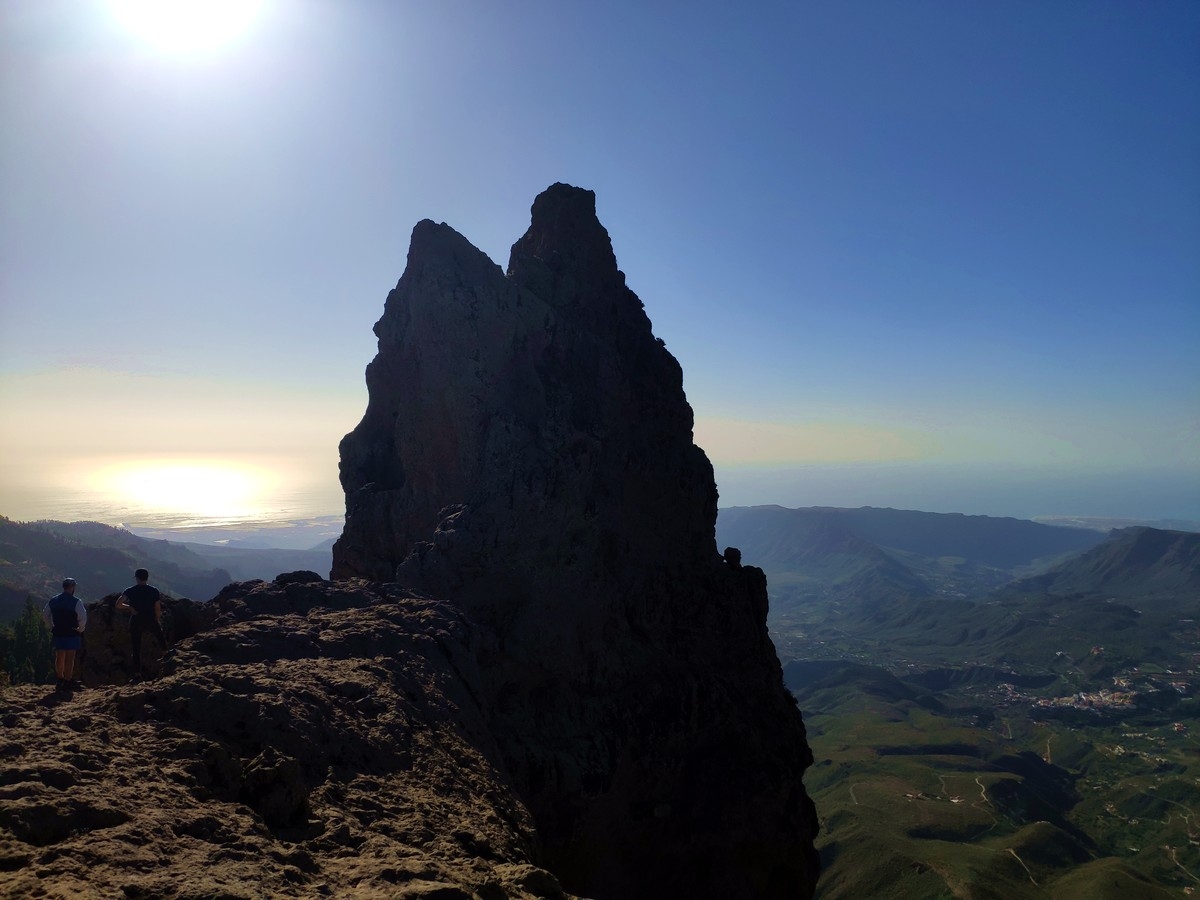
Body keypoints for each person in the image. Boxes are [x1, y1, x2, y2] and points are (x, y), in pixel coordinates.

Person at [116, 568, 167, 679]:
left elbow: (118, 604)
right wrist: (157, 620)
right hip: (150, 619)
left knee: (136, 648)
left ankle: (137, 674)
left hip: (136, 619)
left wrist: (130, 608)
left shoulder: (130, 590)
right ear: (147, 577)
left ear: (137, 578)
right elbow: (157, 608)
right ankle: (168, 659)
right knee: (161, 638)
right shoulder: (154, 590)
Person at [42, 577, 88, 691]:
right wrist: (80, 629)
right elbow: (83, 617)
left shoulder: (53, 600)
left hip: (58, 631)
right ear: (72, 587)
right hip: (72, 632)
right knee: (70, 657)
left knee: (59, 655)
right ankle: (68, 680)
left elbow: (45, 614)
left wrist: (51, 626)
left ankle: (60, 679)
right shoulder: (76, 601)